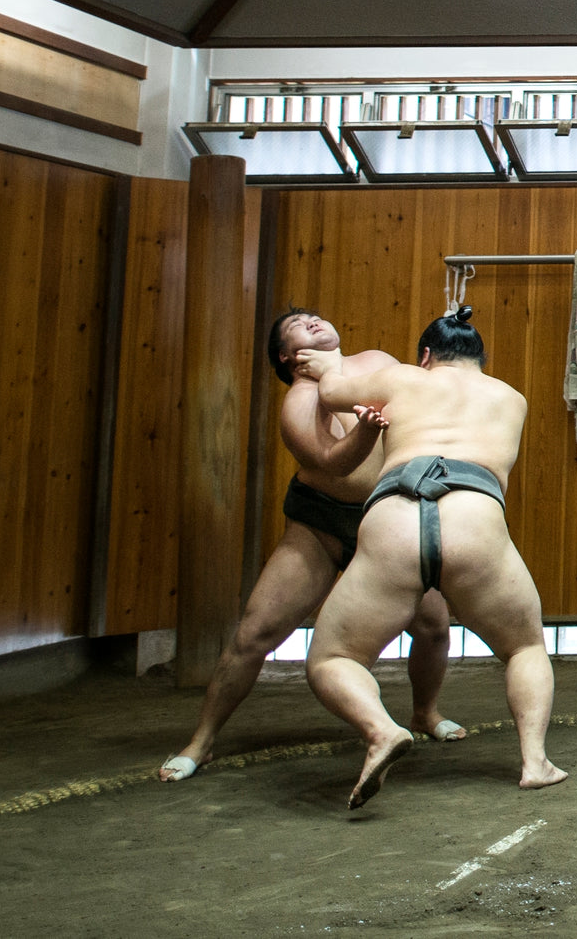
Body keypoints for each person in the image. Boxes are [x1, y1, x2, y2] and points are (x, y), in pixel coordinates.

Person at [160, 308, 463, 782]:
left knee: (435, 627)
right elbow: (334, 464)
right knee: (253, 634)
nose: (314, 321)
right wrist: (365, 430)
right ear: (286, 355)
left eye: (316, 316)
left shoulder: (376, 360)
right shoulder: (299, 402)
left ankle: (425, 712)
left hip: (387, 519)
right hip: (319, 525)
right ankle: (201, 741)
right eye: (299, 324)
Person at [295, 306, 566, 810]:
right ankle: (535, 762)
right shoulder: (512, 398)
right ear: (480, 359)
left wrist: (326, 364)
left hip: (394, 514)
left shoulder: (402, 379)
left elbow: (332, 394)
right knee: (525, 647)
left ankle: (380, 730)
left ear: (425, 357)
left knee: (332, 658)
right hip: (474, 515)